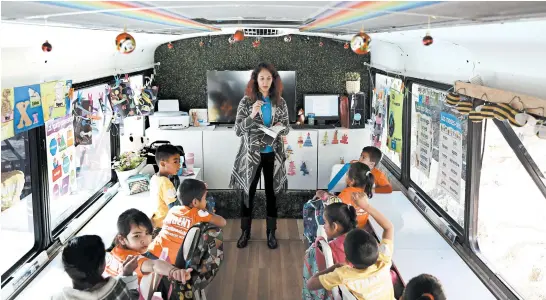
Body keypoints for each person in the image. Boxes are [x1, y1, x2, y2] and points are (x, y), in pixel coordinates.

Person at [230, 62, 290, 250]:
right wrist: (252, 114)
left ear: (274, 81)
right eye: (261, 78)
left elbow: (287, 127)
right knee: (248, 193)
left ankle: (271, 233)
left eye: (268, 78)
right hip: (250, 156)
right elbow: (238, 130)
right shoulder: (246, 101)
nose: (265, 82)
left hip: (272, 154)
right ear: (255, 80)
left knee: (272, 195)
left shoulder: (280, 102)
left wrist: (279, 128)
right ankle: (245, 232)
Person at [306, 192, 395, 300]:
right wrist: (366, 206)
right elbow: (389, 227)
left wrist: (335, 267)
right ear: (376, 246)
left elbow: (310, 284)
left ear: (347, 260)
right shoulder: (384, 259)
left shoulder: (344, 275)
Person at [147, 179, 226, 263]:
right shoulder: (198, 213)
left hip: (152, 252)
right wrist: (206, 210)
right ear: (195, 202)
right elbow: (223, 222)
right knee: (216, 233)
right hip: (174, 261)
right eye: (204, 198)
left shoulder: (173, 210)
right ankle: (212, 264)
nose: (206, 201)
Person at [105, 209, 191, 284]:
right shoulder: (130, 259)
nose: (145, 240)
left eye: (147, 233)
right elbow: (153, 265)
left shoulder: (113, 252)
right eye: (137, 236)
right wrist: (174, 271)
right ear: (122, 239)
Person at [52, 235, 139, 300]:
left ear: (66, 269)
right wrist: (127, 274)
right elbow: (133, 297)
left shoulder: (58, 298)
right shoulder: (119, 288)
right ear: (102, 265)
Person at [316, 162, 375, 229]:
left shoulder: (347, 192)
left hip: (346, 230)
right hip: (360, 228)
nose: (346, 175)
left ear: (352, 181)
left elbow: (336, 206)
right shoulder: (367, 192)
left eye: (347, 174)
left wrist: (324, 195)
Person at [150, 144, 181, 229]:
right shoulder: (166, 183)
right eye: (175, 162)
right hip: (166, 223)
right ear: (163, 164)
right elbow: (174, 208)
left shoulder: (154, 178)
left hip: (157, 220)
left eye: (179, 161)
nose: (179, 165)